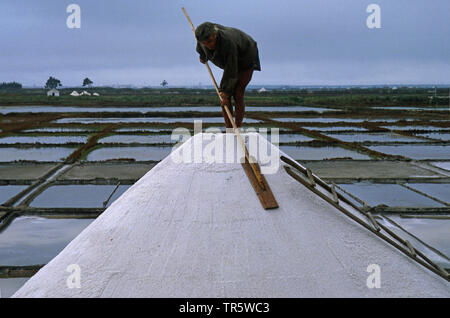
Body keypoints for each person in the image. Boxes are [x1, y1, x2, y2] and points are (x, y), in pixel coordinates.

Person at [195, 22, 261, 129]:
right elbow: (201, 49)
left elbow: (231, 70)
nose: (208, 45)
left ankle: (237, 128)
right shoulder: (201, 40)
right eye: (204, 43)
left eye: (210, 42)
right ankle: (229, 129)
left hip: (247, 55)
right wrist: (203, 56)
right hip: (230, 60)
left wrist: (225, 91)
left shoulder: (228, 43)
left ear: (215, 34)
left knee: (237, 92)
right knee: (224, 97)